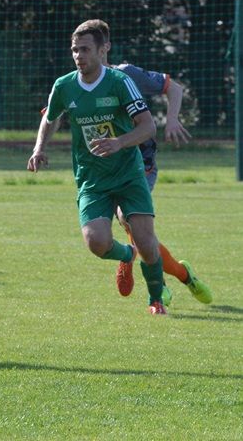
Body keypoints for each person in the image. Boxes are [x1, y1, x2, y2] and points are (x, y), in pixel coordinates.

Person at [28, 20, 168, 315]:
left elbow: (148, 127)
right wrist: (39, 148)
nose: (79, 56)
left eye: (85, 50)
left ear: (101, 51)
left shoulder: (119, 82)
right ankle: (126, 255)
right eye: (75, 50)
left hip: (129, 175)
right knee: (96, 242)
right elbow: (51, 118)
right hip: (92, 177)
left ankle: (156, 299)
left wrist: (120, 142)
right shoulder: (64, 86)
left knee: (146, 240)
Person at [86, 19, 212, 306]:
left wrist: (172, 120)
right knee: (130, 231)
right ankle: (176, 273)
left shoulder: (127, 74)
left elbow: (174, 87)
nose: (85, 56)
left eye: (91, 48)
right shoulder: (79, 82)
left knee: (126, 218)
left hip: (140, 163)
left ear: (105, 48)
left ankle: (163, 284)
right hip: (104, 169)